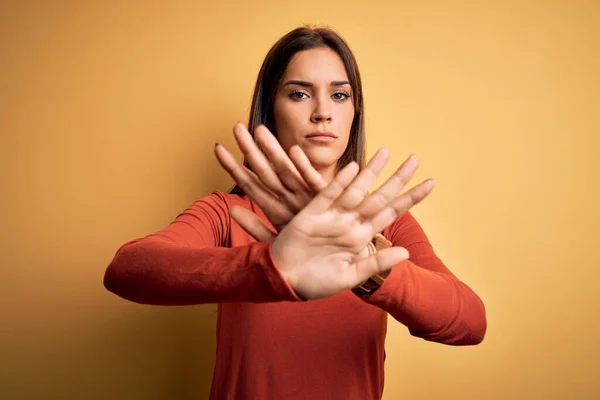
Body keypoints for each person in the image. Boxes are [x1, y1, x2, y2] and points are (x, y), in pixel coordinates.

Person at [104, 26, 487, 400]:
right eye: (300, 93)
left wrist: (369, 264)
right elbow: (128, 270)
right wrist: (270, 266)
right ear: (270, 109)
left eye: (339, 95)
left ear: (355, 112)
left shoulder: (383, 222)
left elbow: (470, 321)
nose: (322, 112)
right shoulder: (229, 212)